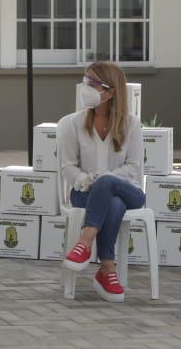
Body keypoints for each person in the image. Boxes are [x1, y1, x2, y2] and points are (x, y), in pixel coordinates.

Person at [58, 61, 145, 302]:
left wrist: (103, 178)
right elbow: (67, 167)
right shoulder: (74, 123)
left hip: (131, 193)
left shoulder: (132, 124)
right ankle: (107, 269)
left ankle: (84, 242)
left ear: (111, 91)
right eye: (86, 81)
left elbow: (134, 168)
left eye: (94, 83)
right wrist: (88, 180)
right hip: (84, 191)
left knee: (108, 184)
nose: (87, 87)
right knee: (113, 203)